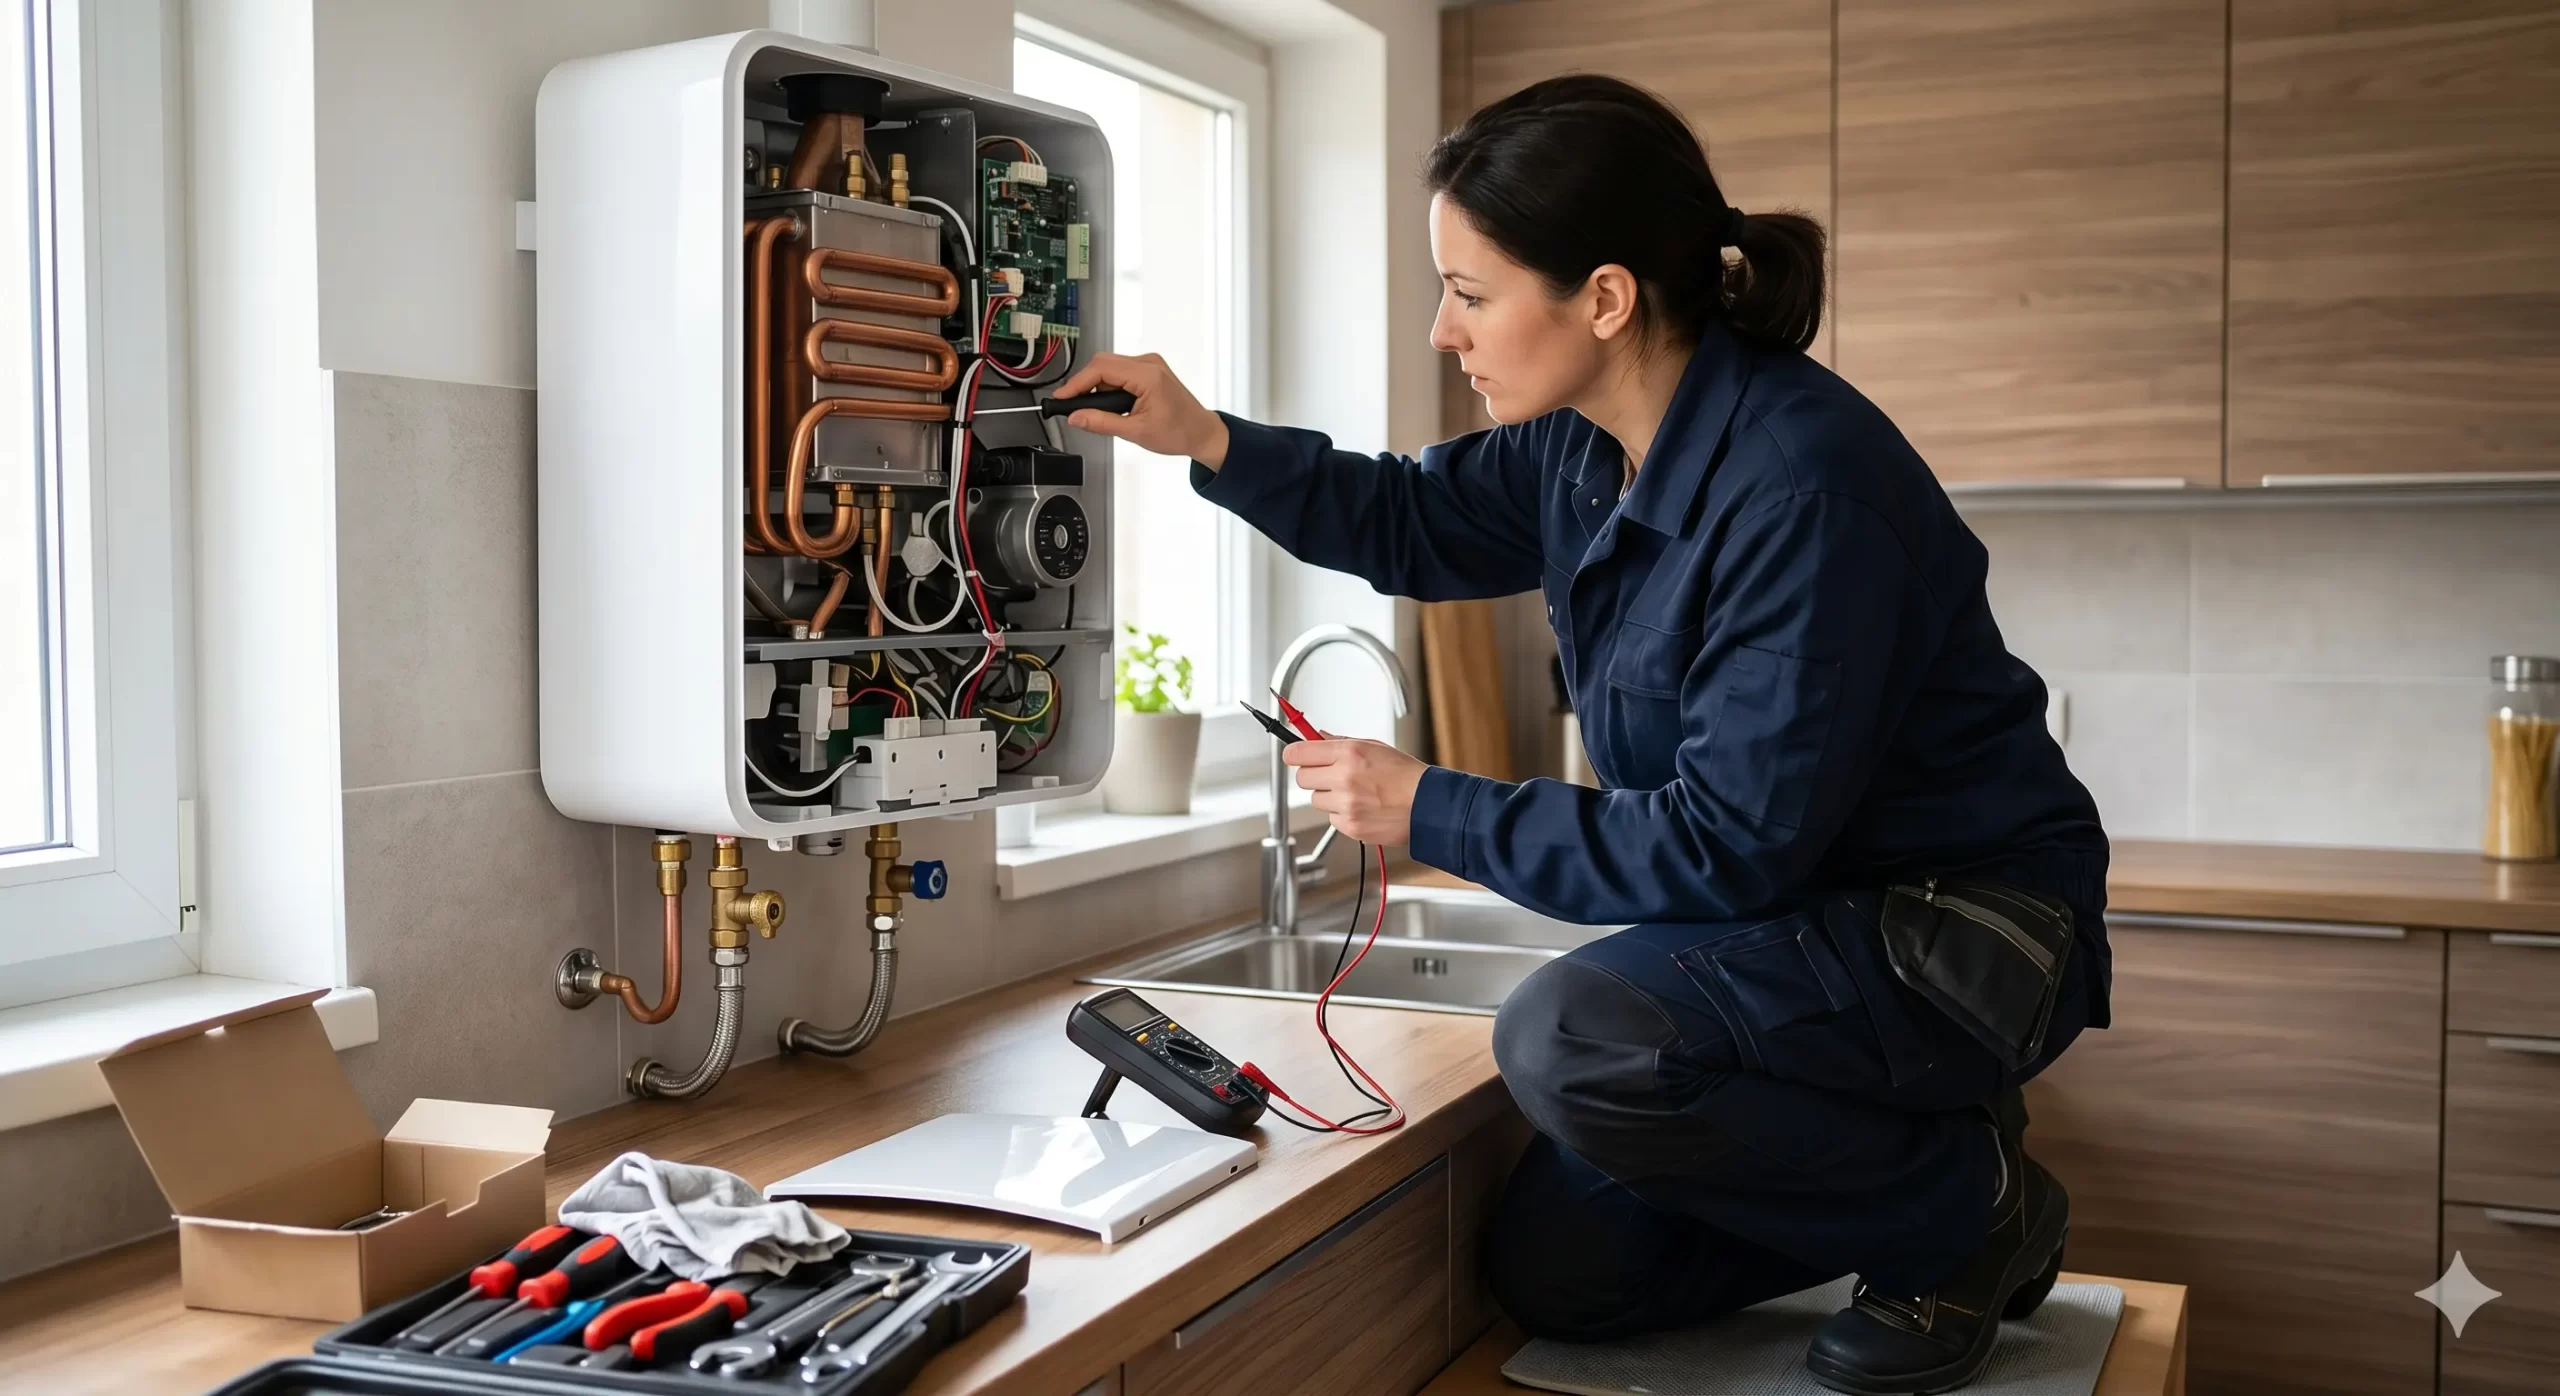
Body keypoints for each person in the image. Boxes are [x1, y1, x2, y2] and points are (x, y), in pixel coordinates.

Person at [1048, 74, 2110, 1395]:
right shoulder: (1581, 447)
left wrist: (1427, 805)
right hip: (1793, 932)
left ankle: (1968, 1207)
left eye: (1471, 293)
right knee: (1564, 1273)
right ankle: (1913, 1169)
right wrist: (1203, 436)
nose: (1445, 332)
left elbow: (1725, 848)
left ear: (1605, 299)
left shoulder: (1803, 486)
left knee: (1574, 1037)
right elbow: (1409, 522)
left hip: (1955, 937)